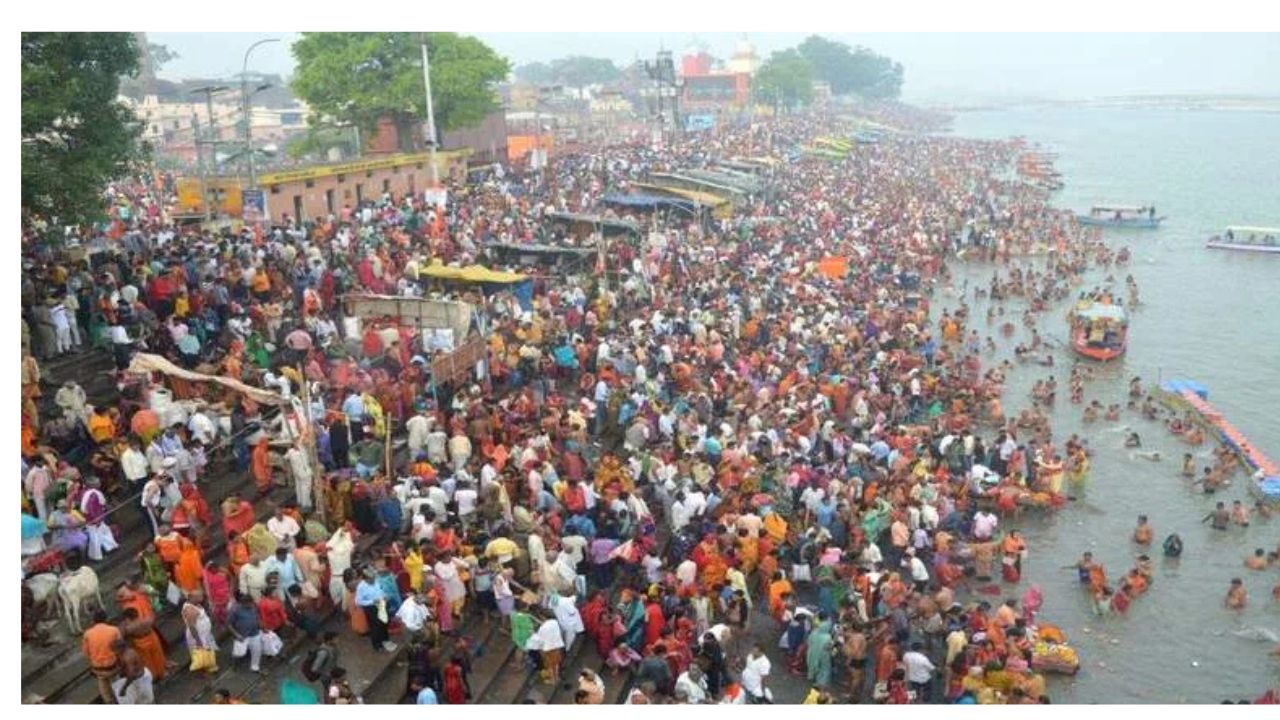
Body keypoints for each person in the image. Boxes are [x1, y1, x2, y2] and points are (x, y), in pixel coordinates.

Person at [82, 610, 123, 704]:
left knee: (102, 682)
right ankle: (120, 698)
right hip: (113, 666)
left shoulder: (87, 634)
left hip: (98, 668)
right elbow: (121, 648)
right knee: (116, 680)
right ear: (106, 619)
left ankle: (108, 701)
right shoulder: (114, 630)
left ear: (93, 620)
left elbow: (86, 653)